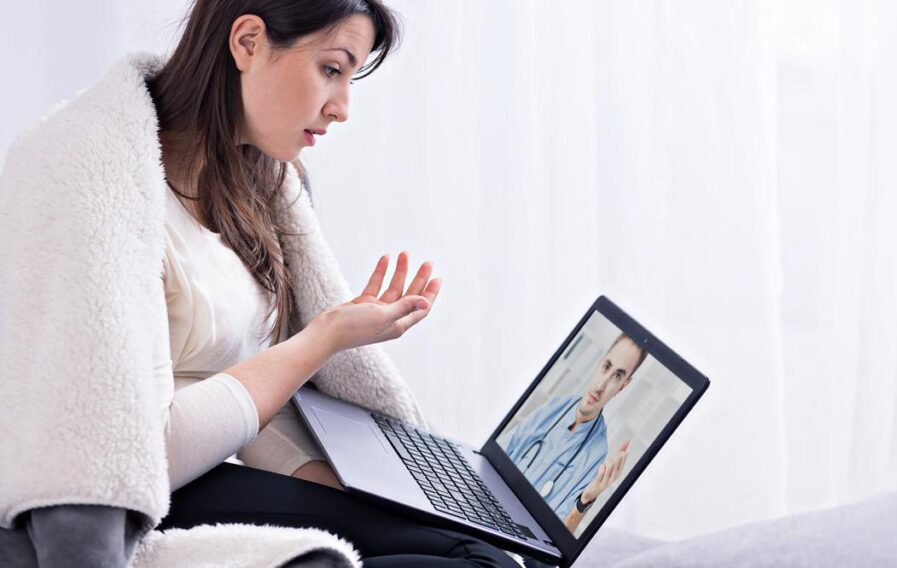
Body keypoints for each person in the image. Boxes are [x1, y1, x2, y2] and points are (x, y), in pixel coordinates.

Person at [0, 1, 549, 566]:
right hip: (144, 503)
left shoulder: (257, 183)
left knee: (492, 550)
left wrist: (347, 492)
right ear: (248, 43)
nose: (342, 108)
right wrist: (324, 338)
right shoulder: (92, 180)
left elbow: (249, 384)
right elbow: (124, 454)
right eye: (332, 69)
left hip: (214, 473)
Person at [502, 333, 647, 532]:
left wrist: (585, 500)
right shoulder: (555, 406)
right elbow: (501, 451)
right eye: (606, 367)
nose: (601, 386)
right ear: (599, 364)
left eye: (617, 376)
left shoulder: (597, 453)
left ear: (623, 386)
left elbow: (561, 534)